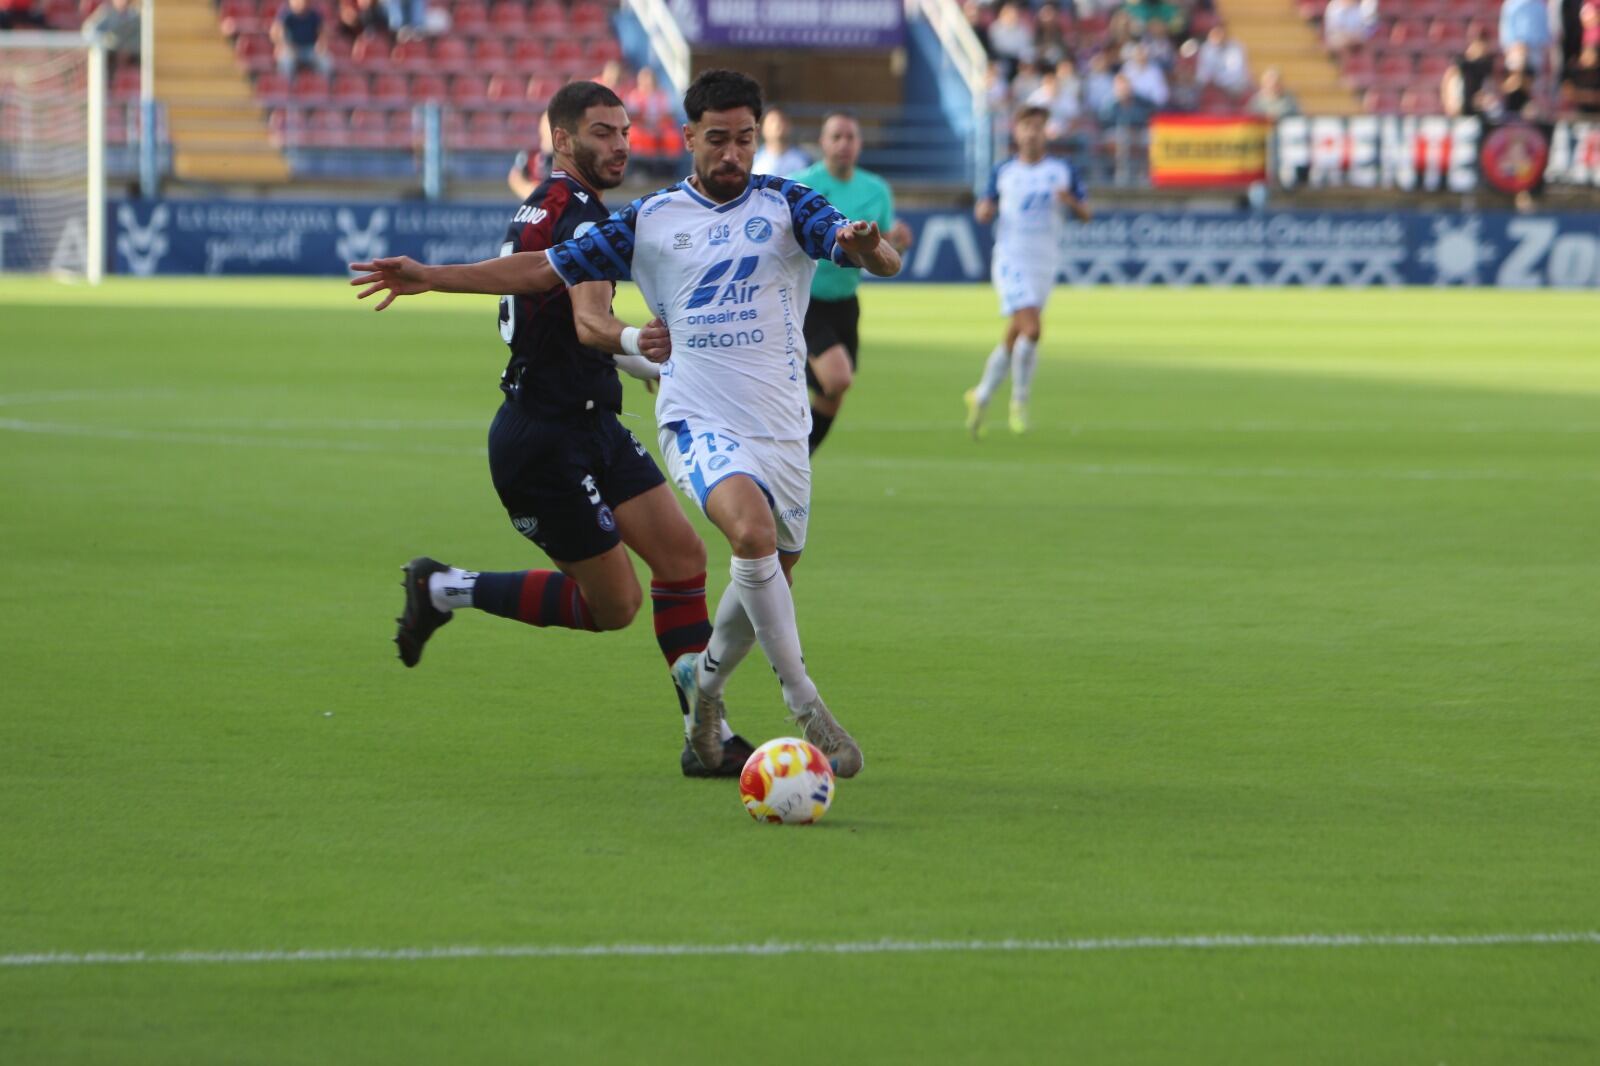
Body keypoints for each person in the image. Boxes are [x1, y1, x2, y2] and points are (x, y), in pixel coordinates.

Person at [349, 69, 904, 778]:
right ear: (689, 138)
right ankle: (804, 707)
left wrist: (867, 246)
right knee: (688, 565)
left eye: (744, 140)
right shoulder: (629, 218)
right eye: (718, 140)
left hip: (701, 425)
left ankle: (706, 709)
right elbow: (559, 290)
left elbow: (878, 259)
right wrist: (433, 276)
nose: (733, 154)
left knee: (717, 567)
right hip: (621, 427)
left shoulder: (779, 201)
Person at [381, 81, 754, 778]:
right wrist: (644, 345)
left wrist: (643, 365)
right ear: (563, 140)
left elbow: (558, 310)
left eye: (624, 132)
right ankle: (443, 589)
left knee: (682, 561)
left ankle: (709, 734)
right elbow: (590, 323)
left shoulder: (551, 204)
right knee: (614, 605)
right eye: (604, 133)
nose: (620, 145)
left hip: (591, 421)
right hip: (543, 443)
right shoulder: (580, 217)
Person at [791, 112, 913, 454]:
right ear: (822, 143)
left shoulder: (876, 189)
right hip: (807, 300)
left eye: (851, 137)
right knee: (838, 377)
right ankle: (791, 453)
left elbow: (884, 244)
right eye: (836, 137)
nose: (844, 144)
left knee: (835, 391)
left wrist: (898, 242)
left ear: (859, 144)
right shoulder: (800, 186)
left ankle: (801, 456)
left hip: (845, 300)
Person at [965, 105, 1090, 439]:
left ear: (1046, 131)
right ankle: (1019, 401)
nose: (1032, 132)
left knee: (1015, 333)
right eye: (1026, 126)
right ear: (1016, 131)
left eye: (1038, 126)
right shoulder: (1004, 171)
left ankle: (982, 394)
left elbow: (1086, 212)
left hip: (1044, 263)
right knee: (1032, 329)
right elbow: (984, 208)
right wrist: (984, 210)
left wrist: (1071, 202)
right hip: (1010, 259)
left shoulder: (1062, 171)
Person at [272, 0, 332, 78]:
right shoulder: (286, 13)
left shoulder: (314, 14)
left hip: (310, 48)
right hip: (291, 48)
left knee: (325, 62)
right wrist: (281, 45)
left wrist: (321, 44)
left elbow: (323, 31)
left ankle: (322, 86)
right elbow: (275, 31)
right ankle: (286, 87)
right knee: (286, 62)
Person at [750, 108, 810, 177]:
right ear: (762, 128)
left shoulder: (804, 160)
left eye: (782, 121)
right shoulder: (754, 159)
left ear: (789, 125)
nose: (777, 125)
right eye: (772, 121)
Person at [1500, 0, 1555, 73]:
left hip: (1536, 50)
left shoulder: (1540, 5)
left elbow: (1545, 29)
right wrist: (1516, 46)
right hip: (1516, 50)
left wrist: (1541, 45)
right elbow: (1506, 31)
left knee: (1535, 77)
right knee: (1516, 76)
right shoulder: (1511, 4)